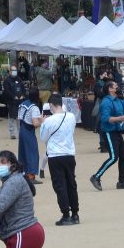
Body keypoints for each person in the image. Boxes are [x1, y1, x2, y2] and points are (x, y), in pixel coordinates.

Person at [90, 79, 124, 191]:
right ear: (110, 89)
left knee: (123, 156)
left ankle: (121, 182)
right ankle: (96, 177)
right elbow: (105, 119)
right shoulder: (106, 102)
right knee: (113, 158)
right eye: (116, 86)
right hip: (109, 132)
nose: (118, 87)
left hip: (117, 131)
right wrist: (121, 118)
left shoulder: (117, 100)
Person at [41, 94, 79, 225]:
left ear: (51, 105)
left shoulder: (49, 121)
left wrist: (43, 122)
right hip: (69, 153)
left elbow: (43, 138)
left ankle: (65, 214)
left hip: (55, 155)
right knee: (71, 184)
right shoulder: (71, 116)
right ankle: (75, 214)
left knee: (60, 186)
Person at [16, 89, 43, 181]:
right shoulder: (35, 107)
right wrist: (42, 123)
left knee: (23, 152)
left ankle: (23, 173)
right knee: (32, 153)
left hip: (22, 130)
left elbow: (18, 118)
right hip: (29, 131)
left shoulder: (23, 103)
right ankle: (31, 175)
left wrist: (41, 119)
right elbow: (35, 124)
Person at [3, 68, 25, 140]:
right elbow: (7, 90)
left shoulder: (19, 79)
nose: (14, 71)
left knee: (19, 118)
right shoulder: (7, 80)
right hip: (11, 101)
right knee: (11, 118)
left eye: (15, 70)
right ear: (10, 71)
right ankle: (12, 133)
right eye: (13, 70)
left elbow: (23, 88)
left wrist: (22, 95)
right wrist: (13, 96)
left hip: (20, 101)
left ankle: (20, 133)